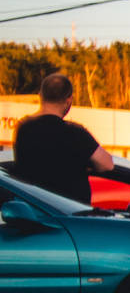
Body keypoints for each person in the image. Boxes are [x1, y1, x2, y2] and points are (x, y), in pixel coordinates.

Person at [10, 72, 112, 205]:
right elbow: (107, 164)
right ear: (69, 100)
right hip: (68, 213)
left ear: (41, 96)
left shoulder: (23, 129)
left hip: (32, 212)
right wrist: (86, 165)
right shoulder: (75, 133)